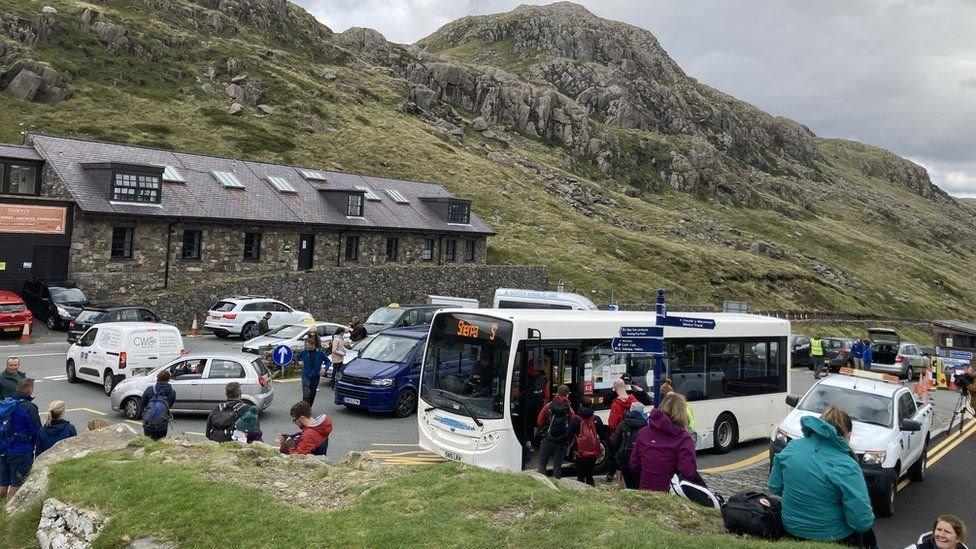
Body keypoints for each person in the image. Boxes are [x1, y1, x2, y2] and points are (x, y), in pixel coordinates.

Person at [768, 405, 876, 547]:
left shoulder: (791, 448)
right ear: (848, 435)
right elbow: (861, 522)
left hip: (791, 528)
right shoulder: (847, 466)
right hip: (832, 537)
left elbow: (774, 486)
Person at [630, 392, 703, 492]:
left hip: (645, 491)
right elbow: (688, 472)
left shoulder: (643, 432)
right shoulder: (683, 438)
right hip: (670, 493)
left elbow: (634, 466)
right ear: (682, 412)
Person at [0, 378, 41, 501]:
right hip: (20, 451)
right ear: (29, 389)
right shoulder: (29, 407)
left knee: (3, 482)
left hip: (2, 449)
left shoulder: (5, 404)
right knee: (17, 483)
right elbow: (36, 431)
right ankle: (10, 512)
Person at [536, 384, 574, 479]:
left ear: (557, 393)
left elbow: (539, 421)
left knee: (542, 462)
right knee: (557, 466)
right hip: (561, 441)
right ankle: (556, 484)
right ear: (567, 395)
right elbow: (573, 425)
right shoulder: (569, 410)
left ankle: (543, 484)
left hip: (548, 438)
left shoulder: (548, 406)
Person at [606, 377, 638, 482]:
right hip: (632, 435)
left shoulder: (616, 404)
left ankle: (613, 476)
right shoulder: (634, 401)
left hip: (619, 435)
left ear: (615, 389)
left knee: (614, 456)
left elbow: (612, 424)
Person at [568, 397, 603, 486]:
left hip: (579, 452)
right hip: (593, 452)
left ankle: (581, 494)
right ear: (591, 405)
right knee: (589, 475)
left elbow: (568, 435)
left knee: (580, 475)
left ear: (580, 405)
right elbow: (602, 435)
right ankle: (591, 492)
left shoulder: (576, 419)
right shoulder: (597, 419)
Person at [612, 401, 647, 489]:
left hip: (625, 458)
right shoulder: (646, 425)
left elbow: (614, 442)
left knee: (628, 484)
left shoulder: (623, 424)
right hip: (640, 459)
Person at [140, 370, 176, 440]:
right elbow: (169, 406)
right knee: (159, 445)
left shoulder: (150, 389)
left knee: (148, 443)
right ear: (168, 379)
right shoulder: (172, 392)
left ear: (157, 378)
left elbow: (142, 404)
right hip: (162, 424)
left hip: (148, 423)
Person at [296, 338, 329, 408]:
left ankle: (309, 408)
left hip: (315, 376)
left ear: (313, 345)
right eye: (306, 345)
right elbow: (296, 357)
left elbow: (328, 362)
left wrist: (324, 369)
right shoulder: (304, 352)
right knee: (306, 394)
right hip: (305, 375)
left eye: (308, 345)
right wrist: (298, 362)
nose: (307, 347)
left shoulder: (320, 353)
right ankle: (304, 410)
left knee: (312, 394)